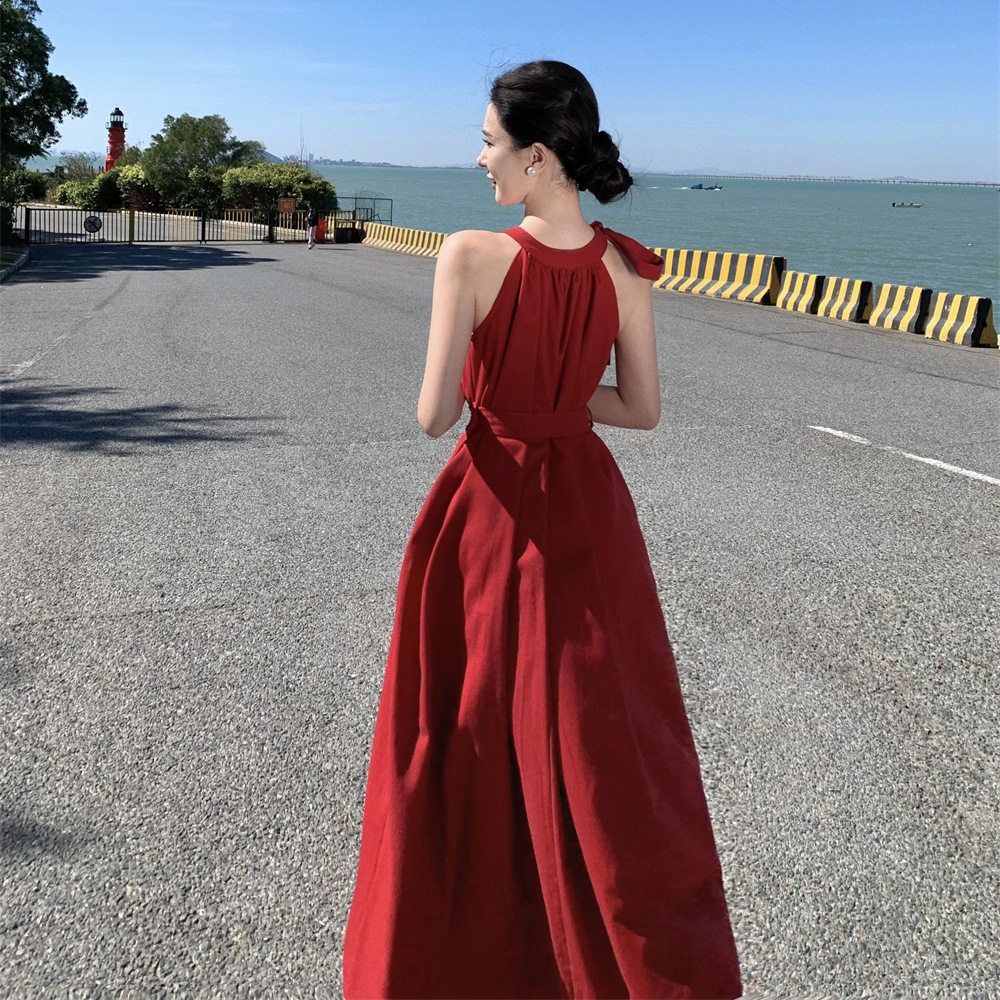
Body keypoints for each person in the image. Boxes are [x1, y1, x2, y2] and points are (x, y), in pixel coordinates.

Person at [343, 60, 742, 999]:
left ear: (534, 157)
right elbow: (641, 410)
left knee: (465, 727)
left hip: (489, 508)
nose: (479, 159)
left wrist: (510, 395)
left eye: (488, 142)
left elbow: (434, 416)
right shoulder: (625, 267)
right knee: (599, 734)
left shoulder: (470, 254)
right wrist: (560, 400)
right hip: (590, 510)